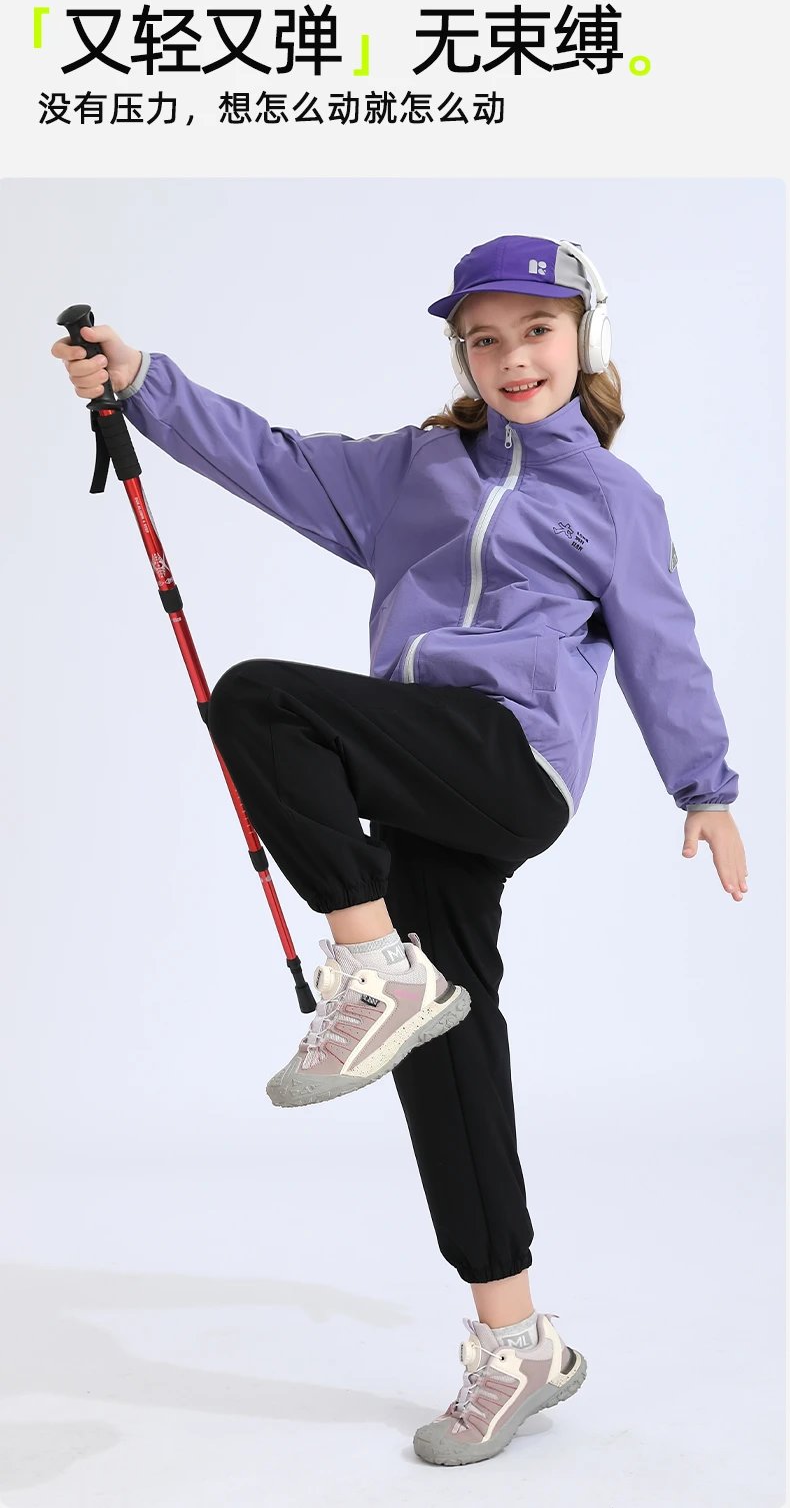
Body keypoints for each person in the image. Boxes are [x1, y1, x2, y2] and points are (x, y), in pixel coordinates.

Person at [51, 232, 748, 1467]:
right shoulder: (413, 469)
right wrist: (144, 380)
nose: (512, 358)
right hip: (421, 775)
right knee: (451, 1059)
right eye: (484, 339)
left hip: (513, 760)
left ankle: (374, 969)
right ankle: (517, 1340)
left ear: (584, 335)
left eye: (537, 331)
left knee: (262, 700)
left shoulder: (615, 501)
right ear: (461, 355)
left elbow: (662, 641)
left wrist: (705, 785)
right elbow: (268, 456)